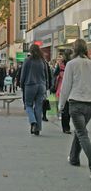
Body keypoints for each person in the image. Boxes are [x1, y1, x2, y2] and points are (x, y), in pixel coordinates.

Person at [59, 39, 91, 179]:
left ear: (74, 49)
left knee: (82, 134)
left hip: (76, 102)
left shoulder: (71, 64)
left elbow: (66, 85)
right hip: (89, 104)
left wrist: (61, 105)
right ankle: (74, 158)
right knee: (80, 131)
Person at [20, 44, 47, 136]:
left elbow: (23, 75)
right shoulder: (42, 61)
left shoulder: (27, 61)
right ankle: (38, 128)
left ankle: (33, 122)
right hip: (41, 86)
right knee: (39, 107)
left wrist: (21, 85)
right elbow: (46, 74)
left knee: (28, 105)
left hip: (30, 85)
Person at [54, 50, 72, 134]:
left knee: (64, 107)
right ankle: (67, 126)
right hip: (71, 88)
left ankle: (65, 127)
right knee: (68, 108)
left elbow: (55, 74)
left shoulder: (61, 65)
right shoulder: (72, 64)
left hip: (61, 87)